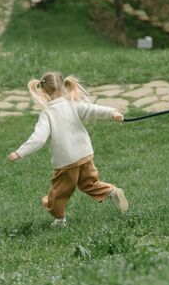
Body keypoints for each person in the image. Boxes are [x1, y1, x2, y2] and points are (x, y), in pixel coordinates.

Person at [7, 72, 128, 227]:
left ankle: (59, 220)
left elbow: (38, 138)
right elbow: (93, 109)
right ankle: (111, 192)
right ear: (63, 87)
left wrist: (19, 152)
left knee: (59, 192)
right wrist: (113, 113)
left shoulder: (47, 114)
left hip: (67, 162)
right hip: (85, 154)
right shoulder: (73, 104)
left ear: (43, 91)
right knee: (88, 183)